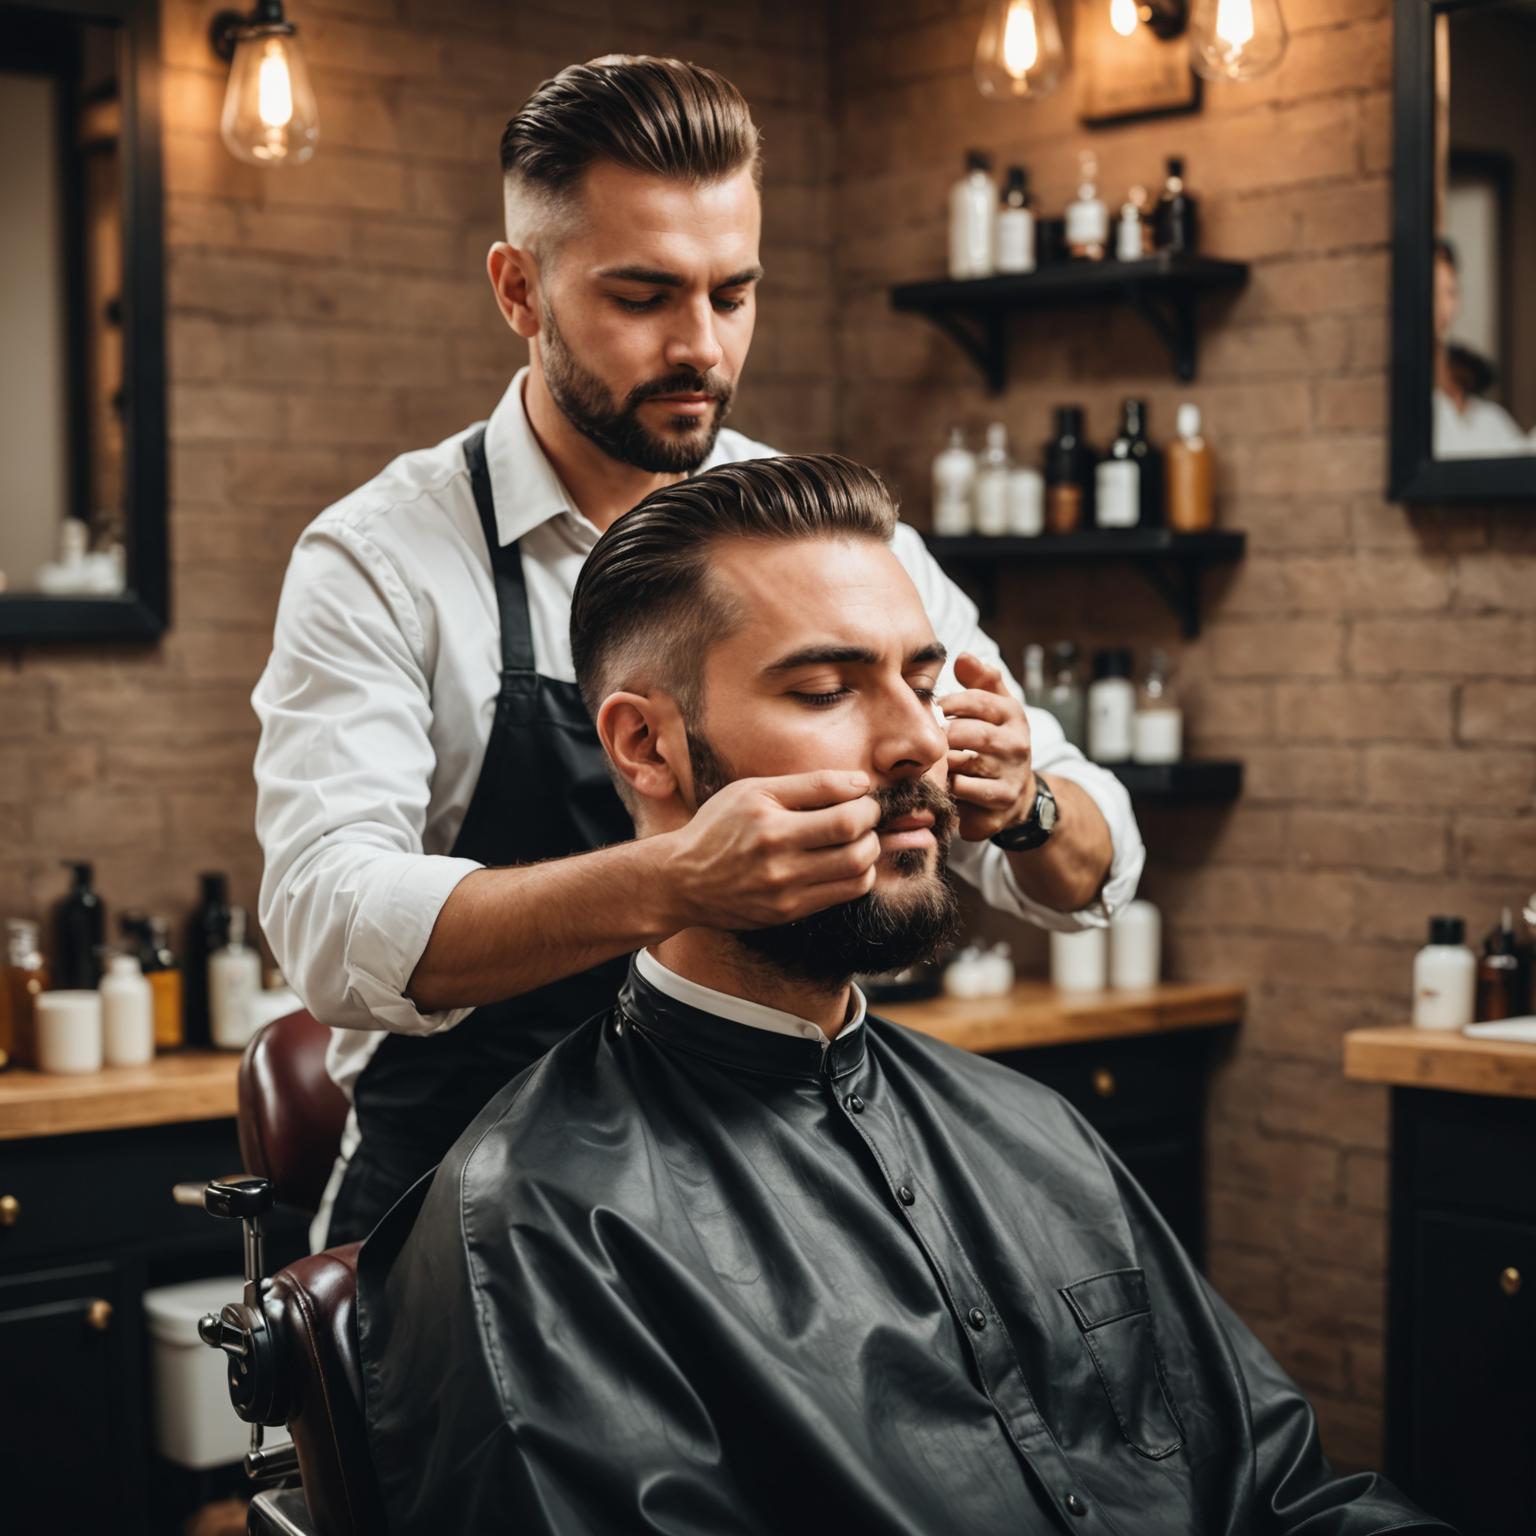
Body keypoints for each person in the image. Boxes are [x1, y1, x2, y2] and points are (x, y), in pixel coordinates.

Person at [358, 454, 1450, 1536]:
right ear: (646, 746)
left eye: (923, 683)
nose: (922, 740)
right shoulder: (547, 1229)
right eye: (828, 690)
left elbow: (1288, 1491)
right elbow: (332, 908)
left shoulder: (1034, 1130)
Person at [253, 56, 1142, 1251]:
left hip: (772, 1191)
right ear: (519, 290)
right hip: (472, 1217)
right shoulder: (384, 557)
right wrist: (673, 879)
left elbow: (1092, 862)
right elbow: (329, 920)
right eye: (644, 297)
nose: (702, 348)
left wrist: (1022, 801)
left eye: (734, 294)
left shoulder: (827, 539)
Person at [1432, 237, 1534, 458]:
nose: (1445, 305)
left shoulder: (1488, 420)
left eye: (1450, 292)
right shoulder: (1423, 408)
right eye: (1436, 291)